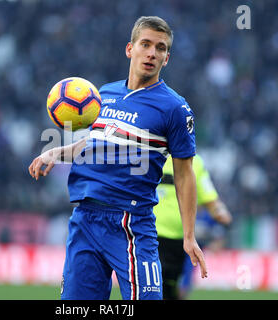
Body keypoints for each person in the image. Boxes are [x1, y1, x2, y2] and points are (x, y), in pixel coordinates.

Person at [29, 16, 207, 300]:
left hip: (131, 223)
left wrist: (188, 236)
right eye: (145, 44)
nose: (151, 53)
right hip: (85, 219)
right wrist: (56, 152)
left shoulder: (175, 108)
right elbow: (96, 142)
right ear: (129, 49)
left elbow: (185, 173)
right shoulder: (103, 95)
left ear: (167, 58)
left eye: (160, 48)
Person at [154, 154, 232, 300]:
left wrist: (220, 212)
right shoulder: (149, 154)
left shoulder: (195, 161)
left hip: (179, 242)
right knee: (149, 288)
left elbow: (210, 198)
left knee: (169, 290)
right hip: (148, 237)